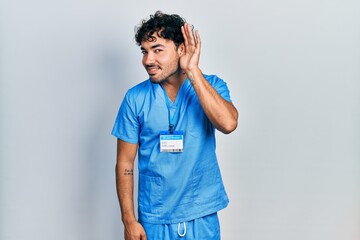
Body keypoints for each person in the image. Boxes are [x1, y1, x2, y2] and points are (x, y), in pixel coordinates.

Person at [112, 11, 238, 240]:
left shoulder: (211, 86)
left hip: (201, 215)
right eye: (144, 51)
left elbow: (228, 123)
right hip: (154, 219)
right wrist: (129, 221)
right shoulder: (135, 98)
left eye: (157, 50)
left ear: (181, 50)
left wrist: (193, 71)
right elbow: (125, 162)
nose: (147, 60)